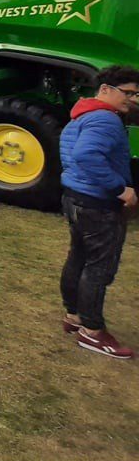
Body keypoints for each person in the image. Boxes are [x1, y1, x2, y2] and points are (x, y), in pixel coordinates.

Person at [59, 65, 139, 359]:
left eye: (135, 94)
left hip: (75, 197)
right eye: (127, 93)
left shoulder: (81, 115)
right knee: (99, 268)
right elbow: (86, 155)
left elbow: (72, 155)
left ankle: (74, 317)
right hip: (98, 203)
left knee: (78, 257)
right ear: (105, 89)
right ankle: (92, 332)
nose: (130, 99)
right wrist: (121, 189)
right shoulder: (106, 119)